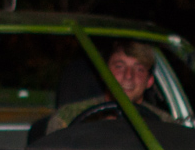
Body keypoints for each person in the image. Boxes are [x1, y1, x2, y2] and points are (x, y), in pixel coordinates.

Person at [45, 40, 174, 134]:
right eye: (119, 66)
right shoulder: (67, 117)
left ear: (150, 81)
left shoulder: (166, 124)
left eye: (139, 69)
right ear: (103, 73)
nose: (128, 76)